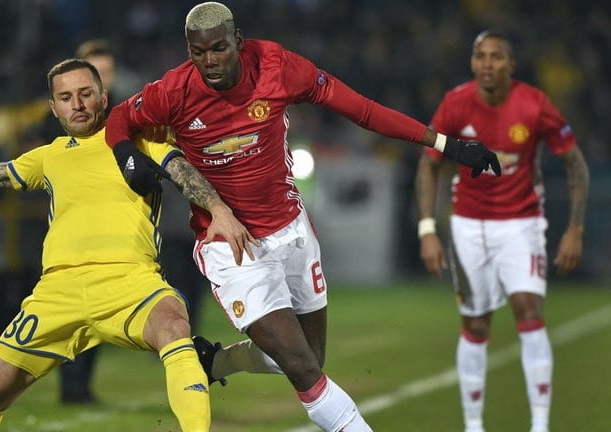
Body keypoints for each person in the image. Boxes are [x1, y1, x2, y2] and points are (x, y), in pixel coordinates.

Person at [104, 2, 501, 431]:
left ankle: (214, 362)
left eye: (219, 49)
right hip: (230, 244)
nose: (210, 61)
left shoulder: (277, 67)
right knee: (303, 369)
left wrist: (448, 145)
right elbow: (120, 118)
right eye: (198, 52)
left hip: (292, 231)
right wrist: (126, 155)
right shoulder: (174, 91)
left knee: (308, 357)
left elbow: (363, 111)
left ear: (238, 41)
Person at [0, 58, 256, 432]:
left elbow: (181, 170)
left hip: (129, 282)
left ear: (103, 97)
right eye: (66, 97)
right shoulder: (49, 157)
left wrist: (218, 209)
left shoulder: (139, 140)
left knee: (173, 322)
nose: (77, 104)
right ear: (54, 107)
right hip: (57, 292)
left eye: (86, 94)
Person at [414, 30, 589, 432]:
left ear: (512, 64)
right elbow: (429, 164)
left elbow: (575, 163)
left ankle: (539, 424)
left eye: (496, 57)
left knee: (529, 310)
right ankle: (474, 425)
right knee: (476, 325)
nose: (487, 64)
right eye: (480, 56)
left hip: (521, 224)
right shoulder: (456, 103)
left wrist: (575, 229)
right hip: (468, 226)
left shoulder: (535, 104)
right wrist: (427, 229)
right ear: (472, 62)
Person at [55, 37, 114, 405]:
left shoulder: (123, 114)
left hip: (109, 230)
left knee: (100, 313)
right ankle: (70, 384)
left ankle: (82, 385)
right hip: (70, 229)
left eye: (107, 72)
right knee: (71, 313)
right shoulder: (63, 119)